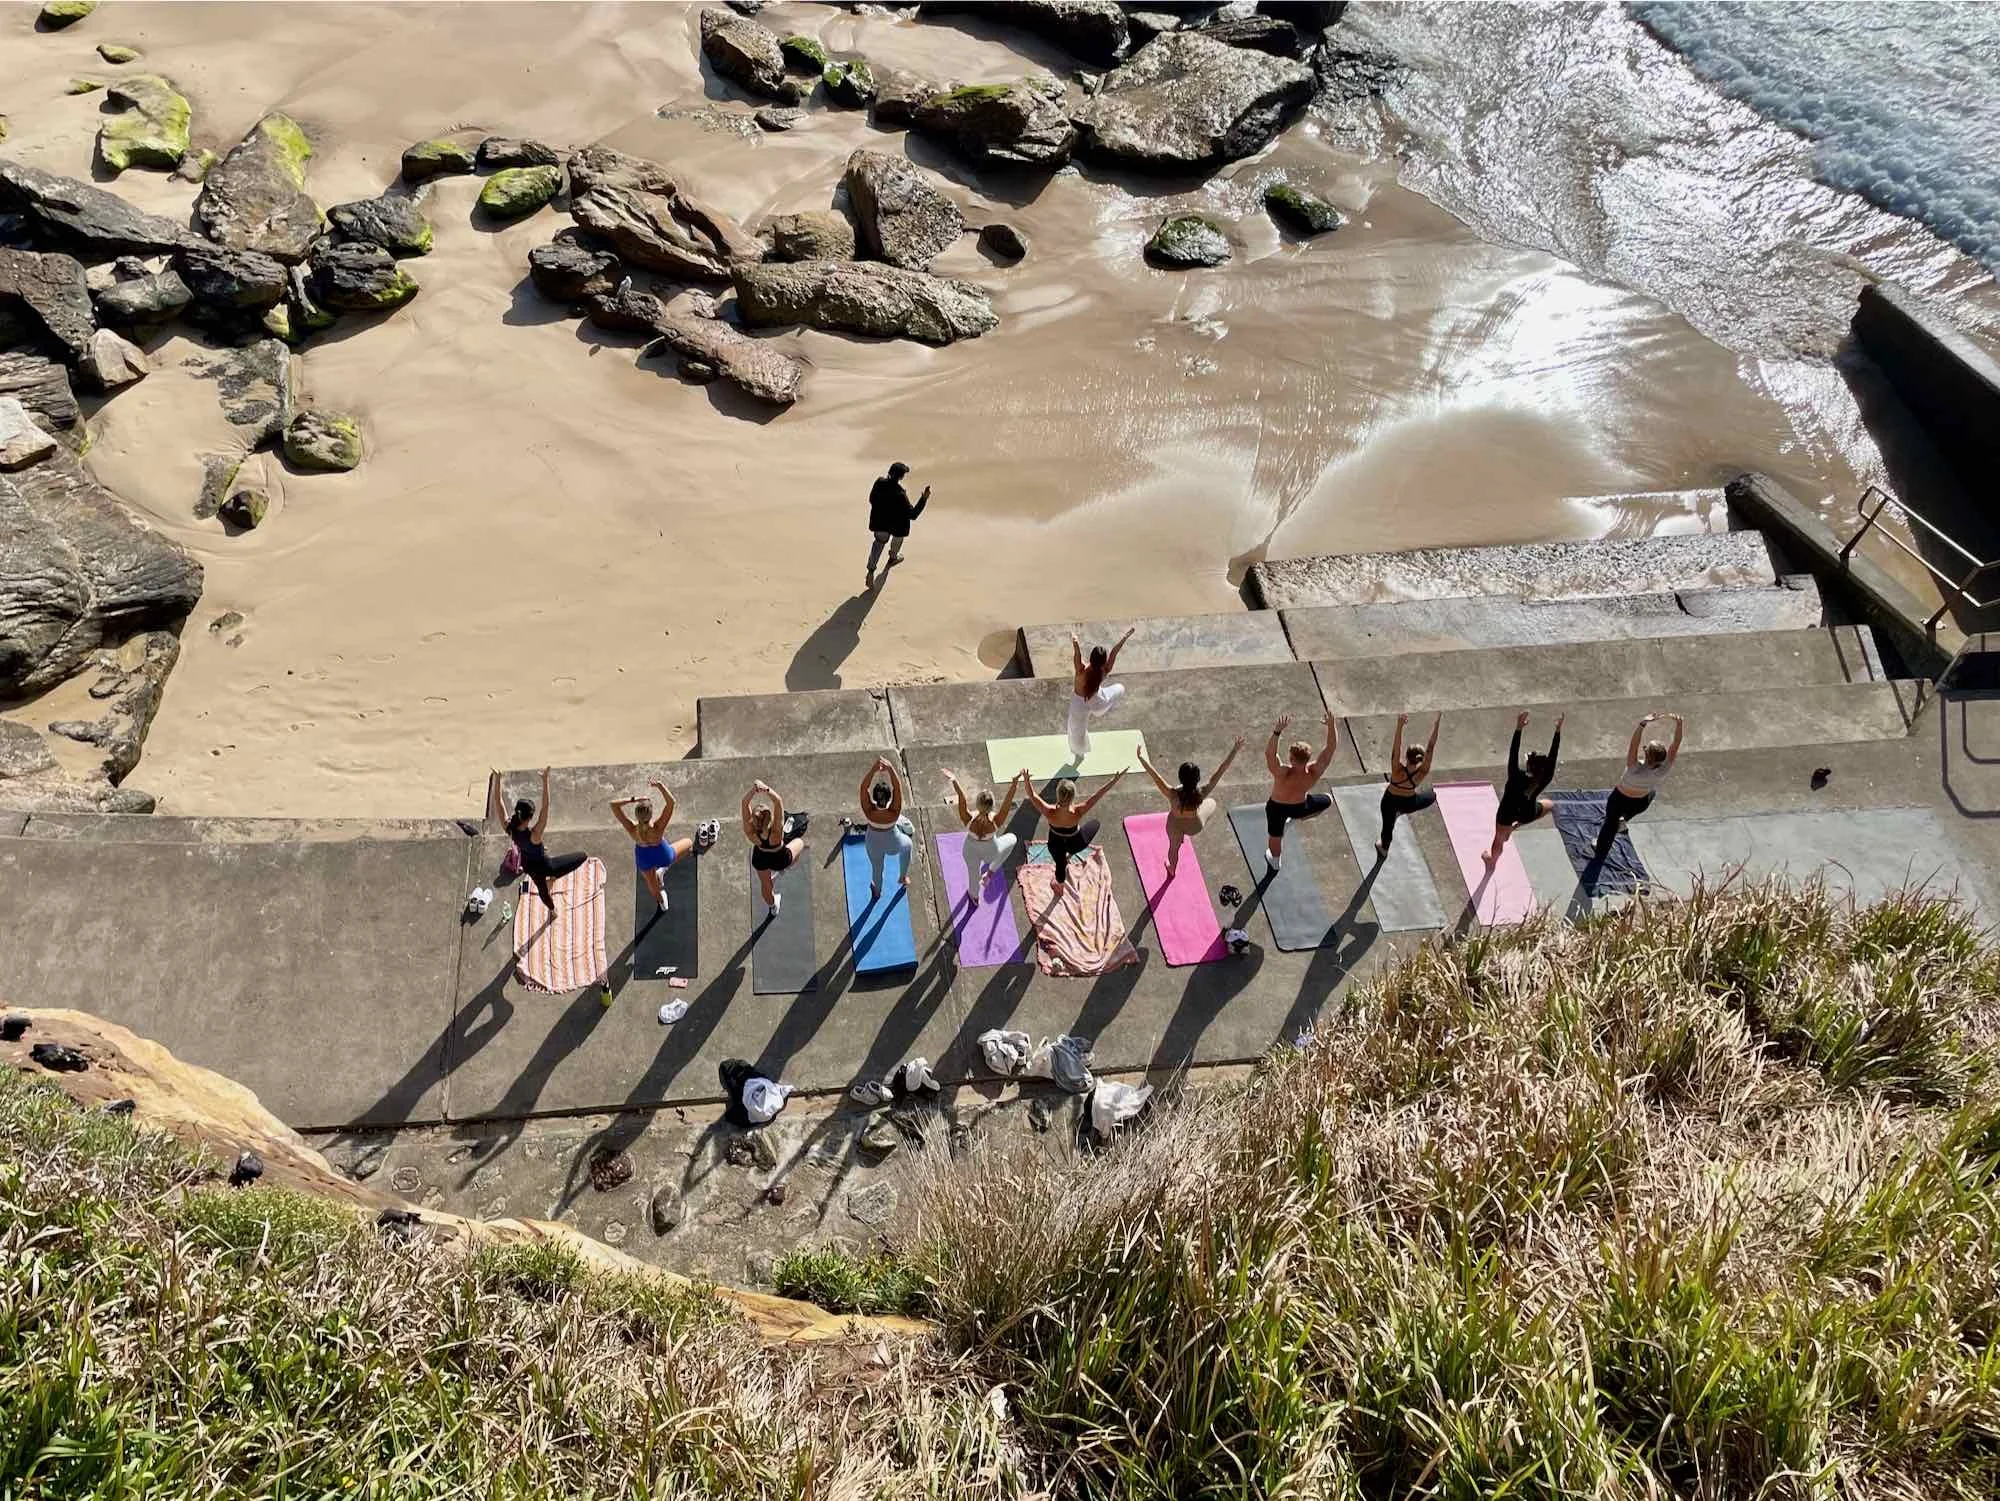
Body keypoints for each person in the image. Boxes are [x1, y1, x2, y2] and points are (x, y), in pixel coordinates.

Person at [1138, 735, 1243, 877]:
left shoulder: (1172, 794)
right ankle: (1181, 839)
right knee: (1212, 802)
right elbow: (1221, 770)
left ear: (1180, 777)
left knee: (1173, 849)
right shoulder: (1201, 793)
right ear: (1197, 779)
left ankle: (1172, 869)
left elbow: (1154, 776)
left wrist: (1141, 758)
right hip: (1194, 826)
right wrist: (1235, 749)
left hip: (1175, 826)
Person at [610, 780, 709, 913]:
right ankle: (662, 870)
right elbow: (671, 803)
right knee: (688, 842)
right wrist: (660, 786)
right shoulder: (658, 827)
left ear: (637, 815)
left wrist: (634, 799)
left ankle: (662, 903)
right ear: (651, 814)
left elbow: (613, 805)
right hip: (663, 856)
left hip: (644, 859)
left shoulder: (632, 829)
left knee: (653, 886)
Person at [1020, 766, 1127, 886]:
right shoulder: (1078, 811)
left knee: (1060, 866)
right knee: (1095, 823)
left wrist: (1026, 780)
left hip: (1056, 847)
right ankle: (1068, 856)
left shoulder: (1049, 811)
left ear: (1058, 795)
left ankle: (1059, 884)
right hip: (1075, 844)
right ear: (1073, 796)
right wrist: (1113, 780)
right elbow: (1098, 795)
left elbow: (1032, 796)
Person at [1595, 712, 1683, 857]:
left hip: (1619, 799)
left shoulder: (1633, 767)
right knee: (1652, 793)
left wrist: (1642, 724)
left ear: (1646, 754)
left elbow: (1633, 744)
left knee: (1609, 826)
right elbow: (1675, 745)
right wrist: (1679, 725)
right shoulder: (1663, 770)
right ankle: (1624, 819)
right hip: (1639, 803)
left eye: (1645, 748)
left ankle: (1600, 851)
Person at [1262, 712, 1340, 870]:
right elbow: (1331, 748)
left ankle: (1275, 862)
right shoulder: (1314, 772)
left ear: (1291, 758)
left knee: (1275, 837)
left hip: (1276, 808)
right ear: (1308, 758)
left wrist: (1277, 732)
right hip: (1299, 808)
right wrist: (1332, 725)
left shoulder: (1282, 772)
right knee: (1328, 799)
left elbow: (1270, 754)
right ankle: (1294, 820)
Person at [508, 766, 588, 914]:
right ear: (530, 818)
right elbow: (546, 807)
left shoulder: (510, 828)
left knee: (542, 891)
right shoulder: (535, 834)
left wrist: (497, 781)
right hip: (546, 866)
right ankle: (552, 879)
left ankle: (552, 910)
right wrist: (545, 780)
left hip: (529, 867)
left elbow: (499, 807)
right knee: (582, 856)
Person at [1488, 710, 1564, 861]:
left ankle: (1492, 860)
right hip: (1526, 814)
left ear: (1528, 766)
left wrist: (1518, 728)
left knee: (1499, 838)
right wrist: (1557, 731)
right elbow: (1552, 758)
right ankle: (1516, 825)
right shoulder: (1545, 778)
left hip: (1507, 813)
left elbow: (1513, 753)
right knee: (1549, 805)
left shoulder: (1515, 775)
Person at [944, 768, 1021, 905]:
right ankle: (990, 873)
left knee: (973, 875)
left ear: (977, 804)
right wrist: (1014, 784)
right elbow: (1007, 803)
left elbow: (961, 798)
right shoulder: (996, 821)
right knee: (1012, 839)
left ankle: (974, 897)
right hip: (991, 851)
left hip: (970, 851)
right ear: (991, 807)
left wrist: (954, 780)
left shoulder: (968, 818)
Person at [1377, 712, 1441, 857]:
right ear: (1421, 760)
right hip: (1408, 804)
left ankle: (1383, 848)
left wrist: (1399, 726)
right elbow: (1431, 747)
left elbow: (1396, 748)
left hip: (1389, 802)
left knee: (1387, 827)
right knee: (1433, 795)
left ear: (1406, 757)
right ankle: (1400, 812)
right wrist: (1436, 727)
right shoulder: (1422, 772)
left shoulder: (1397, 770)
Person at [741, 779, 808, 916]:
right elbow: (778, 801)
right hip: (780, 858)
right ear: (770, 818)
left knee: (765, 885)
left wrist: (753, 790)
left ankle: (773, 907)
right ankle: (782, 870)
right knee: (799, 843)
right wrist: (765, 789)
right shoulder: (777, 832)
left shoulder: (751, 832)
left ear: (753, 820)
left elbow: (744, 803)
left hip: (760, 858)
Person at [1067, 626, 1134, 759]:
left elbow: (1077, 653)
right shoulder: (1105, 670)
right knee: (1120, 688)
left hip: (1079, 705)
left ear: (1091, 658)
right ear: (1103, 661)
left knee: (1075, 731)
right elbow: (1114, 652)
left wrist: (1075, 640)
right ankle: (1112, 703)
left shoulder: (1081, 670)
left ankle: (1079, 754)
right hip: (1098, 703)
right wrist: (1125, 637)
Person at [855, 755, 914, 898]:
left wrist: (874, 770)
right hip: (893, 843)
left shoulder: (869, 811)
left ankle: (877, 891)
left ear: (873, 798)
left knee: (877, 868)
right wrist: (890, 769)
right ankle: (902, 877)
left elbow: (864, 788)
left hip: (873, 843)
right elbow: (897, 788)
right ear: (889, 798)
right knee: (907, 845)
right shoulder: (894, 812)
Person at [865, 461, 930, 587]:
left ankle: (870, 571)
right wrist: (924, 499)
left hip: (879, 524)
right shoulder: (900, 494)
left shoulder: (879, 483)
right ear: (901, 477)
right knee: (898, 537)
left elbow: (871, 499)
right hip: (896, 527)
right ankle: (893, 557)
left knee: (878, 546)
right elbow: (913, 514)